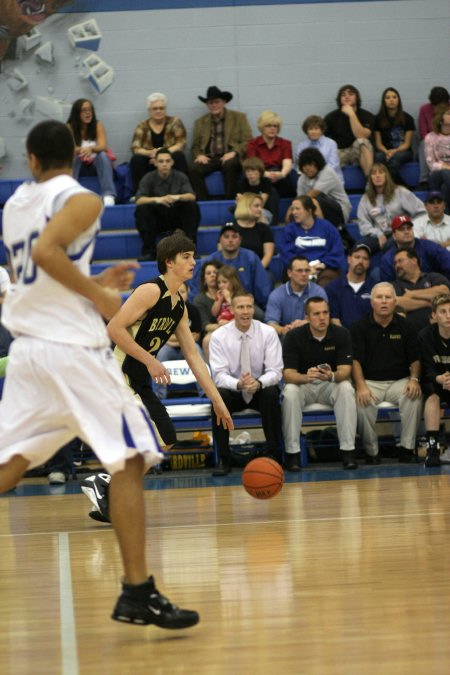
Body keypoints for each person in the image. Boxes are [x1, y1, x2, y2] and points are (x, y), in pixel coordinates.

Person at [0, 119, 199, 630]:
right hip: (71, 351)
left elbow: (39, 273)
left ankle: (138, 591)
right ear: (74, 155)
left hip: (29, 351)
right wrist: (101, 295)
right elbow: (48, 255)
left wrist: (90, 280)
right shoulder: (81, 199)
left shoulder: (15, 206)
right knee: (130, 456)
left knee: (11, 467)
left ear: (31, 160)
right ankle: (137, 591)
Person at [82, 230, 233, 521]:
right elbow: (113, 329)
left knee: (166, 438)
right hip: (119, 373)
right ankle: (109, 485)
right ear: (169, 262)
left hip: (138, 377)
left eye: (193, 256)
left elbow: (193, 357)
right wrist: (151, 359)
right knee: (148, 436)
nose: (194, 262)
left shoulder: (179, 306)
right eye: (186, 257)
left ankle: (108, 485)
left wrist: (218, 401)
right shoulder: (151, 290)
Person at [209, 292, 283, 476]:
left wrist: (258, 383)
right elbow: (218, 375)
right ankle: (224, 458)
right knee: (219, 398)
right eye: (240, 307)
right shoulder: (219, 336)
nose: (245, 311)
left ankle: (274, 454)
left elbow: (276, 371)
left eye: (249, 307)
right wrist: (239, 384)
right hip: (234, 390)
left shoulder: (267, 332)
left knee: (272, 393)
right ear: (232, 310)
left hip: (259, 389)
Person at [282, 297, 358, 471]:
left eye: (325, 313)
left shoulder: (341, 334)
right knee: (290, 392)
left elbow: (345, 371)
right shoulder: (294, 336)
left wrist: (332, 375)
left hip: (329, 384)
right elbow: (288, 375)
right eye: (317, 314)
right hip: (304, 385)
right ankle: (292, 454)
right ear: (307, 317)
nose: (322, 318)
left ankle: (348, 452)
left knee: (346, 388)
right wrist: (305, 377)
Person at [351, 282, 422, 463]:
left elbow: (415, 359)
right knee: (361, 401)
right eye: (379, 297)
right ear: (371, 302)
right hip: (370, 382)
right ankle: (371, 452)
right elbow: (355, 361)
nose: (383, 301)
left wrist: (414, 379)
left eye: (388, 297)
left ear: (395, 301)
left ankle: (407, 448)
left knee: (414, 395)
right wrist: (361, 387)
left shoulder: (407, 326)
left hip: (399, 381)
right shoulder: (359, 328)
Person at [134, 148, 200, 261]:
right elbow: (139, 200)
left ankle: (189, 251)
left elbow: (192, 196)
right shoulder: (148, 177)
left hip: (177, 220)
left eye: (167, 161)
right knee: (142, 209)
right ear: (155, 162)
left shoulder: (180, 176)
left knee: (192, 206)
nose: (164, 164)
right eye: (161, 161)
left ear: (172, 162)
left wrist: (177, 197)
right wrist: (158, 199)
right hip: (157, 220)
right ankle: (149, 252)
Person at [189, 224, 272, 312]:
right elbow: (197, 288)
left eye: (234, 236)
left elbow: (262, 289)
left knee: (259, 314)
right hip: (216, 306)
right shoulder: (209, 261)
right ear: (220, 240)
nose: (230, 240)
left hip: (244, 304)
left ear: (240, 239)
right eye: (226, 236)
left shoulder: (251, 258)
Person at [189, 85, 252, 200]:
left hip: (230, 156)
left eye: (217, 102)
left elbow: (248, 141)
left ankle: (230, 200)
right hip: (210, 158)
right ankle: (205, 202)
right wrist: (199, 155)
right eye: (210, 103)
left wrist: (235, 152)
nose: (214, 105)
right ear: (207, 105)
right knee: (193, 169)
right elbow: (195, 145)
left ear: (223, 102)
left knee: (230, 165)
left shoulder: (239, 118)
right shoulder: (200, 122)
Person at [357, 163, 426, 254]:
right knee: (359, 248)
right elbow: (363, 224)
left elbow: (421, 212)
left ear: (386, 175)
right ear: (370, 178)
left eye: (381, 172)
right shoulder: (365, 199)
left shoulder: (400, 192)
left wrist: (408, 228)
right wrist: (378, 233)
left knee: (389, 246)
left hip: (400, 232)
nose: (377, 176)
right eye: (374, 173)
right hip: (378, 235)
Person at [280, 196, 347, 286]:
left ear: (309, 210)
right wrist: (304, 267)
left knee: (327, 282)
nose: (294, 212)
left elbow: (337, 252)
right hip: (299, 268)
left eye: (298, 209)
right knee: (295, 278)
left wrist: (322, 264)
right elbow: (287, 254)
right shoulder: (290, 230)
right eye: (293, 209)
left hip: (324, 267)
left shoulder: (327, 227)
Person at [153, 282, 203, 400]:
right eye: (176, 292)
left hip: (188, 347)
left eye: (183, 292)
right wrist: (184, 338)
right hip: (168, 347)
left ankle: (203, 392)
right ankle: (160, 394)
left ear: (188, 293)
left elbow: (195, 336)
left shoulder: (193, 310)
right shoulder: (162, 311)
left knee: (198, 350)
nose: (180, 295)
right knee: (161, 353)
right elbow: (161, 337)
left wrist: (173, 338)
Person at [129, 92, 188, 194]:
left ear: (165, 109)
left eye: (161, 108)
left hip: (169, 159)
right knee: (136, 160)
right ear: (149, 111)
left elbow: (181, 143)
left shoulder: (175, 122)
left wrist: (162, 154)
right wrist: (150, 153)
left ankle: (182, 191)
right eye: (155, 108)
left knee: (179, 156)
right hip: (150, 160)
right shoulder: (142, 125)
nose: (158, 111)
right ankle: (140, 194)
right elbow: (135, 147)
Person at [418, 293, 450, 467]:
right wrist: (440, 378)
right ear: (434, 316)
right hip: (435, 381)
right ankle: (432, 449)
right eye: (443, 311)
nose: (448, 316)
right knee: (432, 397)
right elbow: (426, 370)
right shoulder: (425, 336)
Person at [67, 98, 117, 206]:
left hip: (96, 165)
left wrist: (91, 149)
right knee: (74, 156)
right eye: (84, 110)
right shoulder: (70, 127)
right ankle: (69, 193)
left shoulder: (98, 125)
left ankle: (108, 195)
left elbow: (103, 146)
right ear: (77, 113)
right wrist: (81, 150)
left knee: (103, 155)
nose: (88, 113)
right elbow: (68, 148)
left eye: (90, 110)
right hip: (79, 166)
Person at [264, 256, 328, 336]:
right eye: (299, 271)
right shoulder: (277, 294)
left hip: (313, 336)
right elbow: (270, 323)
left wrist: (306, 323)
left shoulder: (318, 292)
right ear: (289, 273)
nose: (304, 274)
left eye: (307, 270)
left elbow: (325, 319)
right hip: (286, 338)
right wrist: (283, 330)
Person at [392, 247, 450, 332]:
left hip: (441, 332)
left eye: (400, 261)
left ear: (414, 260)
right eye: (395, 263)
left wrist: (412, 294)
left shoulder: (433, 277)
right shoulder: (393, 285)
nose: (397, 265)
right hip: (411, 335)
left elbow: (444, 291)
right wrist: (428, 303)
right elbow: (397, 302)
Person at [380, 214, 450, 281]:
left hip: (433, 288)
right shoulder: (387, 259)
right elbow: (388, 285)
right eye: (401, 229)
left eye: (409, 228)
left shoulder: (429, 247)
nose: (406, 231)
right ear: (394, 235)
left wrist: (443, 284)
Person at [324, 84, 374, 177]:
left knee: (362, 141)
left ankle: (369, 182)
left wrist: (351, 114)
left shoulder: (367, 115)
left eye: (350, 94)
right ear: (339, 99)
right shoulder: (331, 117)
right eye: (343, 95)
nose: (347, 96)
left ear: (357, 97)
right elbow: (322, 140)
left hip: (359, 153)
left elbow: (362, 135)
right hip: (340, 151)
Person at [296, 147, 352, 230]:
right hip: (315, 210)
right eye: (304, 165)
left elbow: (313, 194)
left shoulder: (327, 172)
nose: (307, 168)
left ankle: (321, 232)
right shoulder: (302, 178)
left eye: (310, 164)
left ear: (317, 164)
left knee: (314, 199)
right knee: (297, 209)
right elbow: (299, 201)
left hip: (340, 210)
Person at [245, 110, 295, 199]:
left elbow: (287, 163)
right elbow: (252, 166)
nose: (272, 128)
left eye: (275, 126)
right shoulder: (252, 144)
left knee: (285, 181)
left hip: (280, 176)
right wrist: (267, 174)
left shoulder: (285, 144)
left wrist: (281, 174)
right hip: (260, 176)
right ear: (262, 127)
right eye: (268, 126)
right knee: (269, 189)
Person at [326, 243, 375, 328]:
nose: (360, 261)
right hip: (342, 338)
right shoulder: (332, 288)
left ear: (369, 263)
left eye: (365, 258)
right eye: (357, 257)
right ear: (349, 259)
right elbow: (334, 319)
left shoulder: (376, 288)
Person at [373, 87, 415, 185]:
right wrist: (386, 151)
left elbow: (407, 144)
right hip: (385, 151)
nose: (391, 100)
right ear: (384, 101)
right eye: (388, 98)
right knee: (378, 157)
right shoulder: (377, 119)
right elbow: (378, 144)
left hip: (403, 152)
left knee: (394, 160)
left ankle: (401, 187)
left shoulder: (408, 118)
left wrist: (394, 151)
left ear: (398, 100)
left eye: (394, 97)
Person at [295, 114, 343, 183]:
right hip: (308, 180)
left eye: (316, 128)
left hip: (330, 180)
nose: (313, 132)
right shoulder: (301, 146)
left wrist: (316, 175)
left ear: (322, 130)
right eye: (310, 129)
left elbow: (333, 166)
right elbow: (299, 167)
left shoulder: (331, 144)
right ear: (306, 131)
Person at [233, 192, 275, 269]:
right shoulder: (230, 228)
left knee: (268, 278)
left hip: (259, 269)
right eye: (256, 206)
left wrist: (257, 271)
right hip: (234, 272)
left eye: (261, 206)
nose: (260, 209)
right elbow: (223, 254)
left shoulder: (264, 229)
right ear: (245, 207)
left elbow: (268, 255)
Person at [418, 86, 450, 186]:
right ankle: (424, 179)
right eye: (437, 106)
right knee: (424, 143)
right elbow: (423, 132)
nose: (440, 109)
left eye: (443, 105)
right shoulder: (424, 109)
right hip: (433, 142)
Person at [193, 260, 221, 361]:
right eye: (208, 273)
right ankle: (211, 375)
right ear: (204, 279)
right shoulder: (199, 299)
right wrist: (223, 326)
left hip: (232, 329)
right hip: (211, 334)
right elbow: (205, 326)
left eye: (215, 272)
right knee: (208, 340)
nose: (212, 275)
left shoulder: (229, 294)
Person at [425, 105, 450, 212]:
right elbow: (431, 164)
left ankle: (446, 214)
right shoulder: (431, 137)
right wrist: (446, 167)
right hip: (436, 176)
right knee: (445, 173)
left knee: (445, 188)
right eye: (448, 113)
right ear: (441, 117)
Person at [236, 157, 275, 223]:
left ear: (260, 172)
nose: (250, 174)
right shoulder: (242, 183)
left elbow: (261, 203)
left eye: (253, 170)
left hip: (263, 210)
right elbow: (240, 203)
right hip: (246, 211)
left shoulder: (266, 182)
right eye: (248, 171)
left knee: (259, 215)